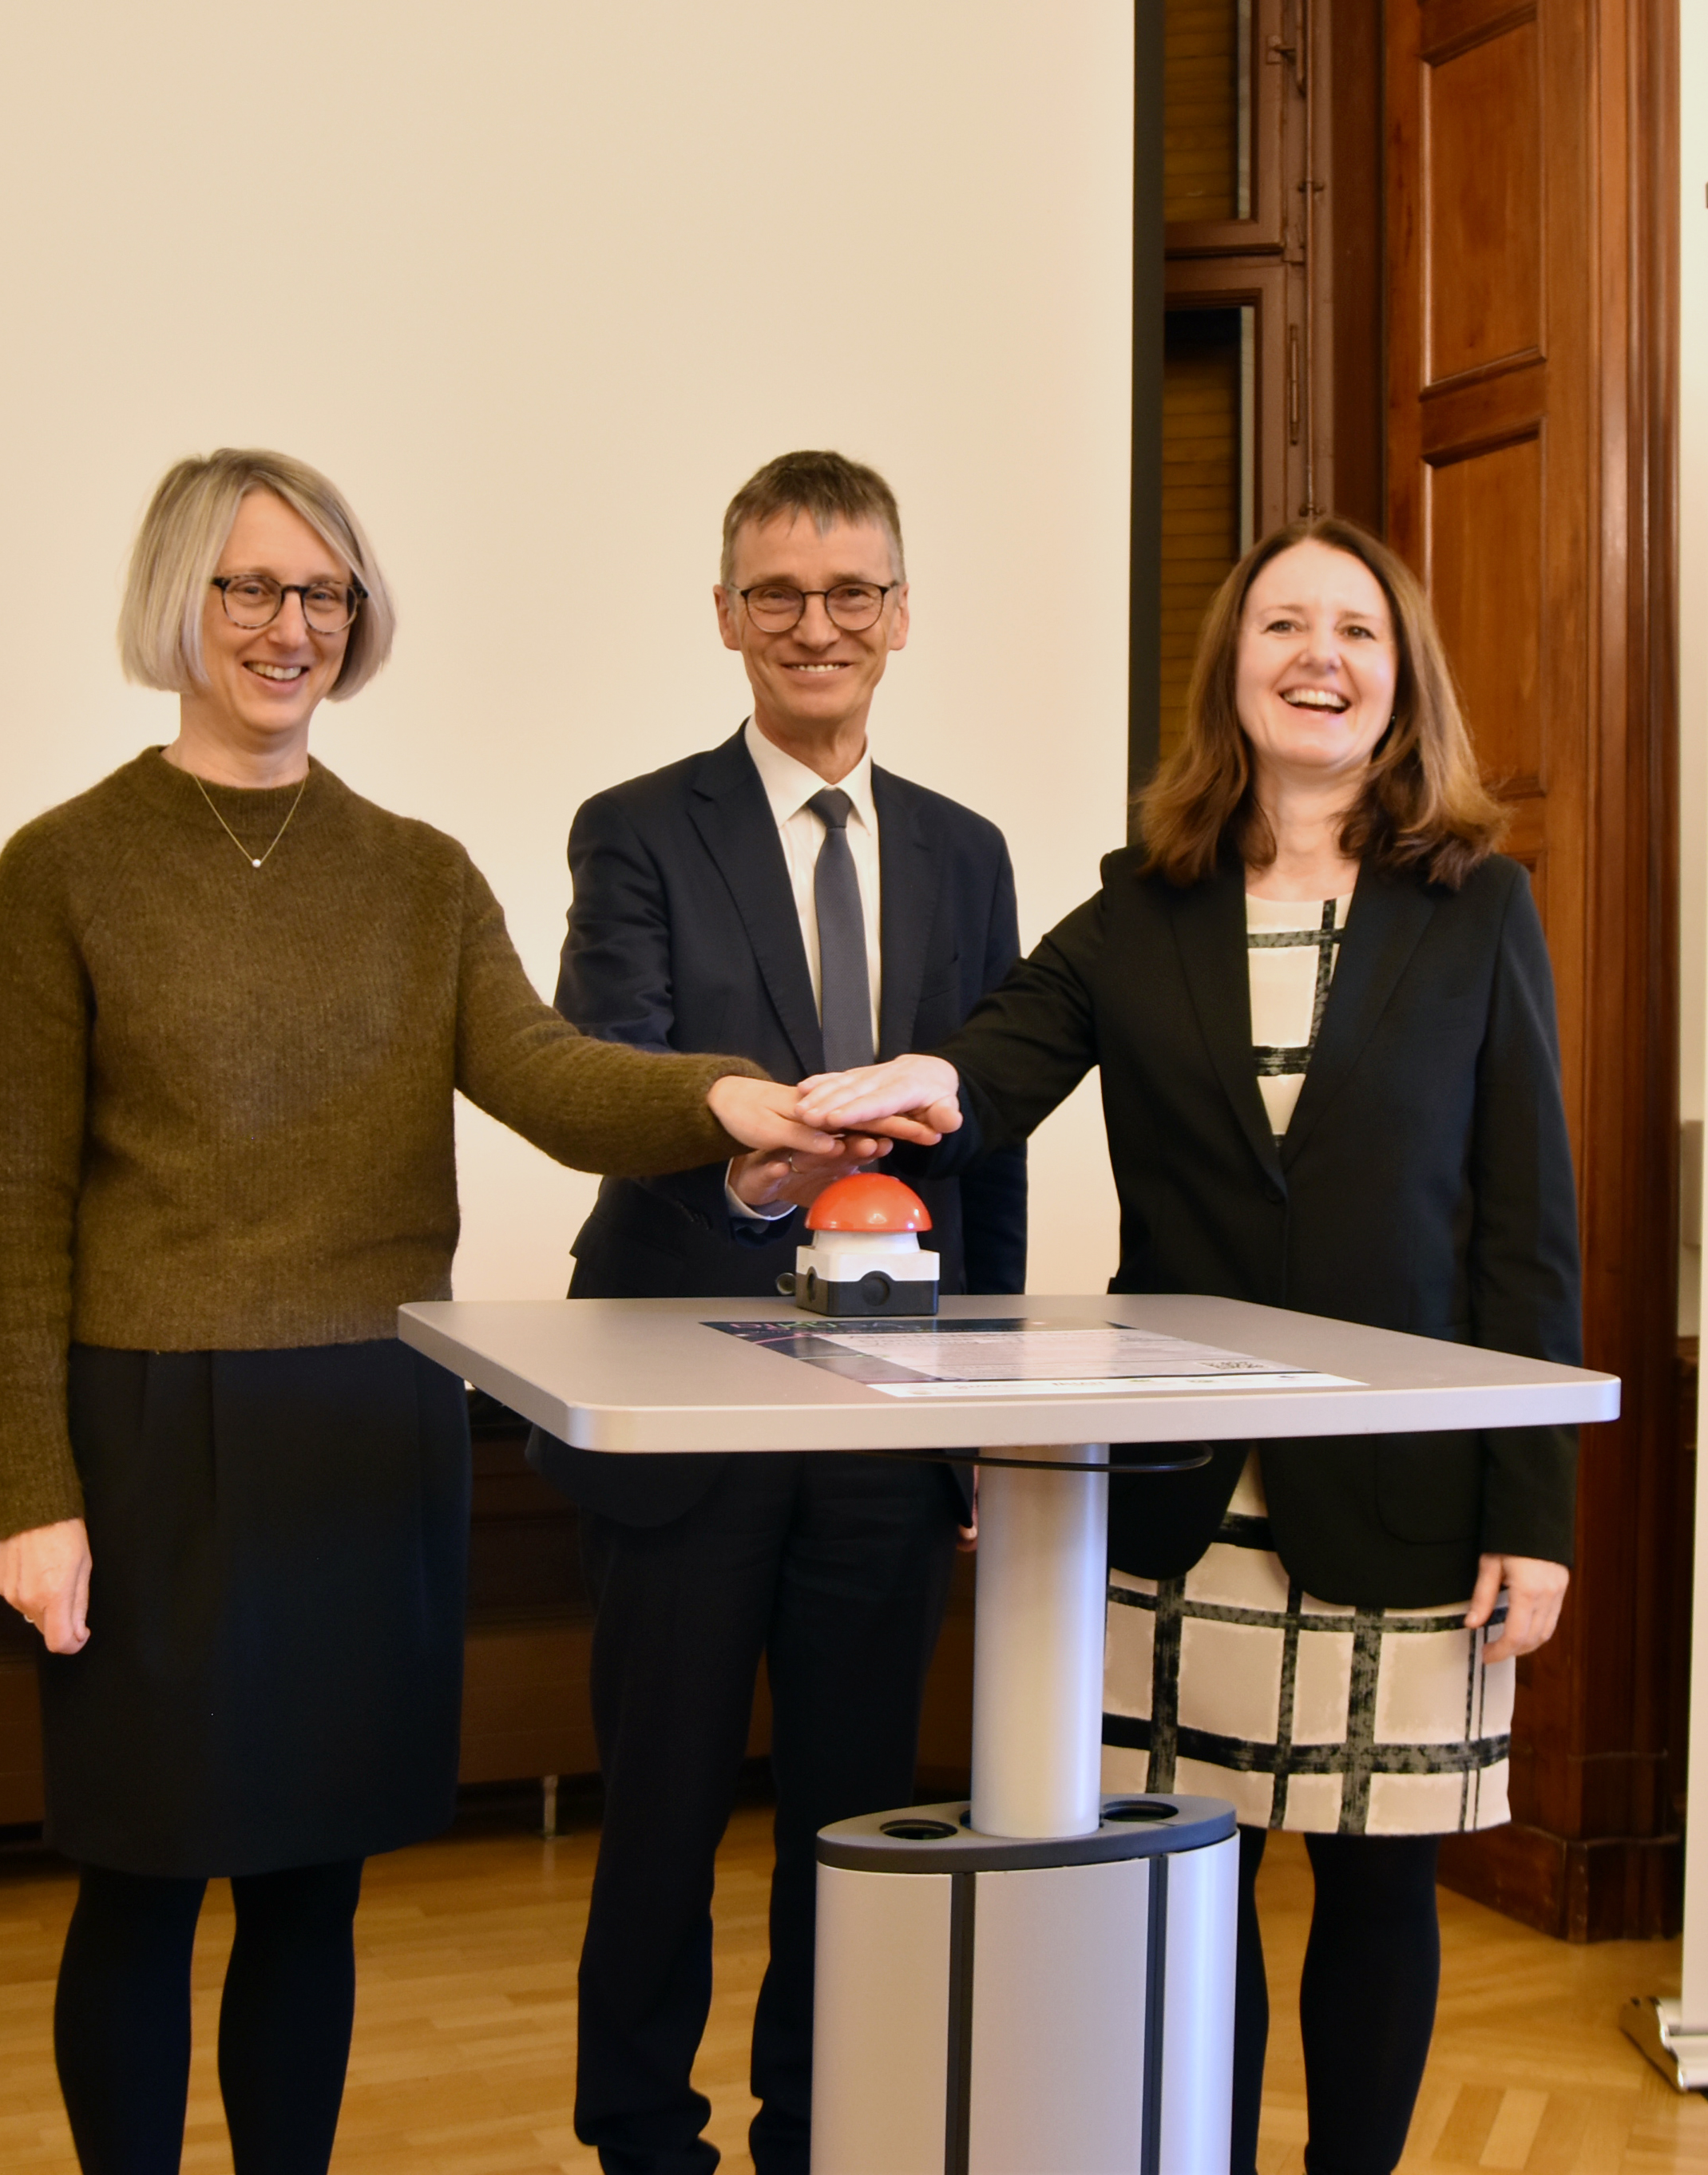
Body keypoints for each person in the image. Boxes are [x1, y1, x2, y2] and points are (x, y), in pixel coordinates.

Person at [0, 448, 903, 2175]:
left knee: (314, 1887)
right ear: (180, 602)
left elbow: (549, 1076)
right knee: (146, 1886)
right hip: (156, 1435)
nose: (291, 626)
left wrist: (732, 1104)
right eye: (253, 588)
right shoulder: (66, 869)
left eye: (325, 593)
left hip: (363, 1433)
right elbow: (13, 1215)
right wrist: (32, 1491)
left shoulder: (414, 871)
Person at [798, 514, 1579, 2175]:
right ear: (1231, 671)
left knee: (1377, 1890)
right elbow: (997, 1066)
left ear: (1399, 677)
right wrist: (908, 1091)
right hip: (1185, 1500)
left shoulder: (1478, 910)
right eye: (1284, 625)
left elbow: (1525, 1232)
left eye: (1356, 632)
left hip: (1405, 1489)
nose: (1320, 657)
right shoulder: (1139, 910)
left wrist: (1539, 1509)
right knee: (1196, 1874)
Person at [534, 448, 1026, 2175]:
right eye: (777, 595)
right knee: (662, 1809)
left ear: (900, 616)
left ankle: (822, 2127)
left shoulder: (968, 855)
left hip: (890, 1418)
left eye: (849, 593)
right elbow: (614, 1067)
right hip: (690, 1394)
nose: (814, 625)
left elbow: (991, 1138)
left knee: (853, 1811)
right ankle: (640, 2139)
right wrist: (753, 1168)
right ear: (726, 617)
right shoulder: (639, 829)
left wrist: (986, 1419)